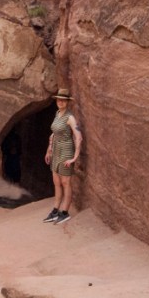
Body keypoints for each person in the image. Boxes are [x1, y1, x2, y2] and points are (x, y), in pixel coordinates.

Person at [43, 88, 82, 224]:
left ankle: (64, 212)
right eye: (59, 100)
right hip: (56, 151)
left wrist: (74, 157)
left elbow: (78, 137)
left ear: (67, 102)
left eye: (63, 100)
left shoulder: (70, 117)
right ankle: (55, 211)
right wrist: (49, 150)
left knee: (66, 183)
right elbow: (54, 134)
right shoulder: (58, 114)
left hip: (66, 151)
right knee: (57, 183)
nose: (60, 102)